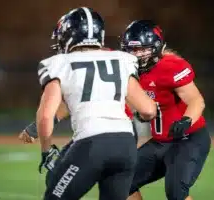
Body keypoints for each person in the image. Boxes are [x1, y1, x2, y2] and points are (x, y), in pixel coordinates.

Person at [36, 8, 156, 200]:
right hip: (125, 145)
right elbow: (148, 110)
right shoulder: (122, 59)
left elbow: (45, 116)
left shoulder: (59, 63)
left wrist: (46, 150)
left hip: (92, 144)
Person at [121, 20, 211, 200]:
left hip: (187, 140)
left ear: (155, 47)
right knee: (122, 182)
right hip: (160, 142)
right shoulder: (128, 70)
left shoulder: (171, 66)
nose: (136, 54)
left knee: (176, 193)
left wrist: (186, 120)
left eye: (142, 49)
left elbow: (196, 100)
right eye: (133, 49)